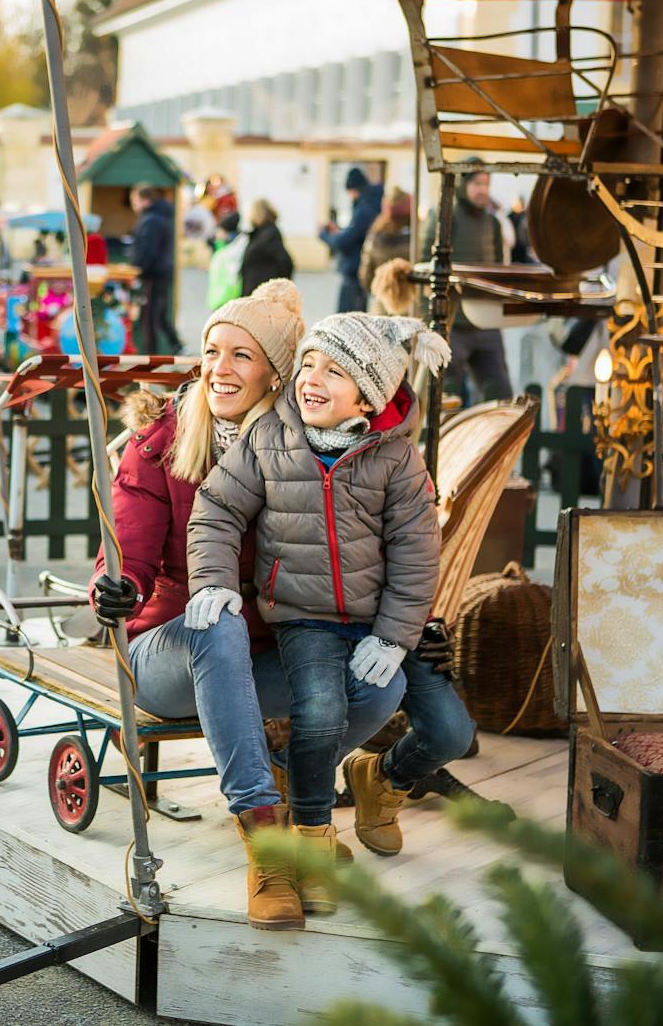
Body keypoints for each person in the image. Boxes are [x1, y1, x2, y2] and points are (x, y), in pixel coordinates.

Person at [89, 280, 408, 932]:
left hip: (262, 658)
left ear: (276, 374)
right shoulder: (160, 445)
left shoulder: (309, 453)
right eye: (212, 350)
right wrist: (114, 589)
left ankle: (299, 795)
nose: (218, 368)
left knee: (380, 682)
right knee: (219, 622)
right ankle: (265, 842)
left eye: (241, 354)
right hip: (163, 652)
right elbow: (125, 556)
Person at [186, 312, 449, 906]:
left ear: (368, 392)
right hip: (301, 614)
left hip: (368, 622)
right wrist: (213, 581)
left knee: (381, 702)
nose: (311, 379)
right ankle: (310, 840)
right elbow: (218, 508)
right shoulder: (272, 435)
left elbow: (416, 550)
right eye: (307, 363)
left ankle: (309, 820)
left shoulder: (397, 458)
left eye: (333, 370)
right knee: (322, 707)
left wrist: (394, 636)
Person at [427, 169, 513, 404]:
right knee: (447, 395)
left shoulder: (492, 223)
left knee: (500, 391)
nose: (482, 190)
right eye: (477, 183)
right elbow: (427, 263)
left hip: (485, 322)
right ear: (465, 186)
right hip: (454, 322)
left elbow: (496, 266)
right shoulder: (446, 219)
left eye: (486, 183)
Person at [319, 168, 384, 313]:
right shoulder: (371, 204)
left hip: (355, 271)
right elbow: (354, 233)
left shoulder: (365, 209)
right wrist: (340, 232)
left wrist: (325, 235)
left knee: (348, 318)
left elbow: (345, 241)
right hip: (359, 270)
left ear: (354, 189)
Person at [131, 183, 181, 354]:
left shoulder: (151, 220)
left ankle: (152, 353)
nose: (133, 205)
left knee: (150, 315)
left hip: (153, 273)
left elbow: (148, 250)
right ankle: (176, 344)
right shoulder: (158, 217)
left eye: (135, 200)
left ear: (145, 200)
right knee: (158, 314)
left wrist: (138, 269)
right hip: (161, 271)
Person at [358, 189, 414, 305]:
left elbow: (365, 274)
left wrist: (378, 290)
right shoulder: (418, 234)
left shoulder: (376, 234)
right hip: (412, 303)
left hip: (382, 302)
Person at [239, 199, 295, 297]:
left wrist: (278, 286)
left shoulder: (269, 234)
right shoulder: (261, 232)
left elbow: (285, 262)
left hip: (262, 291)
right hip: (258, 290)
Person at [206, 212, 247, 311]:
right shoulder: (222, 249)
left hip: (226, 301)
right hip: (219, 300)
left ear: (227, 233)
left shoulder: (233, 252)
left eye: (219, 231)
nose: (216, 235)